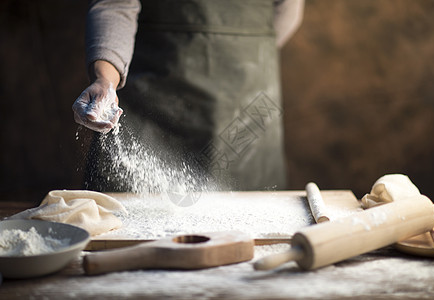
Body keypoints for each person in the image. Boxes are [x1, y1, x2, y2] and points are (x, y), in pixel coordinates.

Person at [73, 0, 304, 192]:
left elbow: (287, 11)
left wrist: (245, 50)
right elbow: (116, 5)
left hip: (247, 103)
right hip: (154, 98)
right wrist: (106, 80)